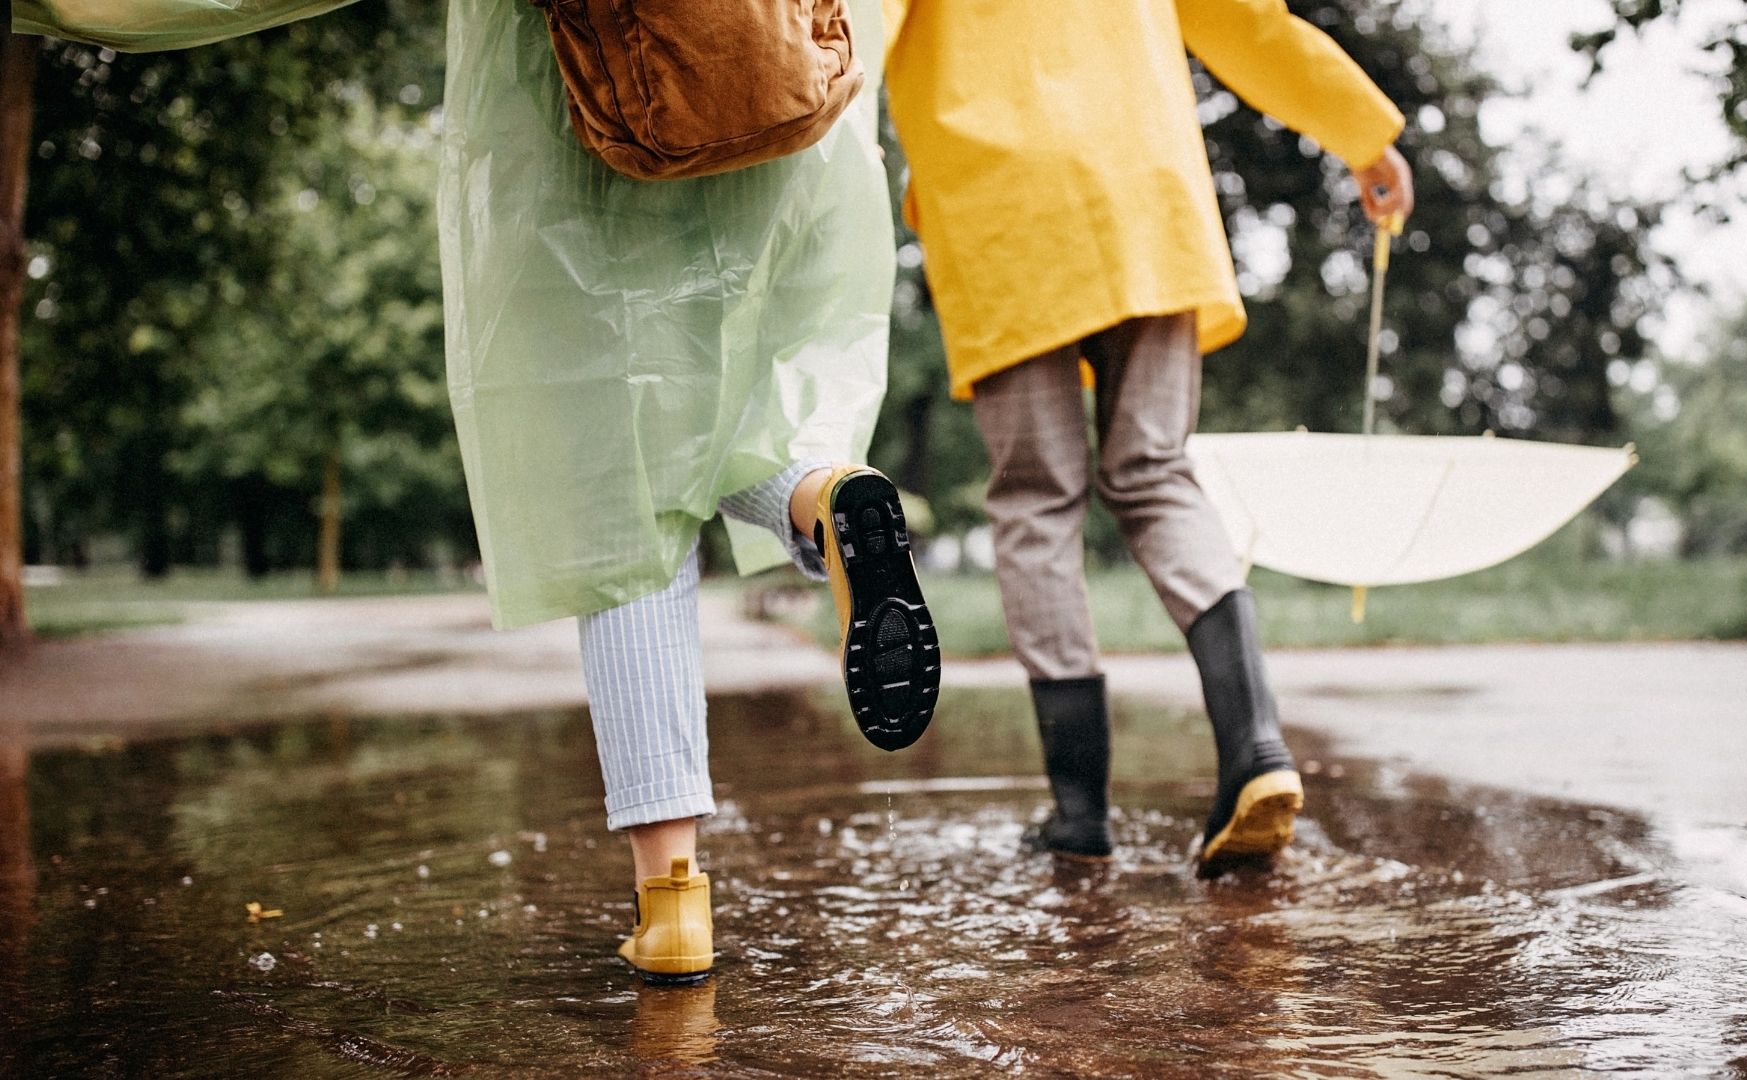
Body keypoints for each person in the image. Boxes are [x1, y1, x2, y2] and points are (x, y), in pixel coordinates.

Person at [436, 0, 939, 983]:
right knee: (756, 400)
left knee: (622, 491)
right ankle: (818, 494)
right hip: (785, 97)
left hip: (582, 107)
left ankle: (673, 910)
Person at [882, 0, 1414, 874]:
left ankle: (1079, 812)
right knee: (1156, 472)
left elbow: (842, 32)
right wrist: (1359, 132)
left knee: (1036, 499)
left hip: (998, 203)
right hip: (1145, 193)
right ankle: (1256, 748)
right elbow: (1245, 19)